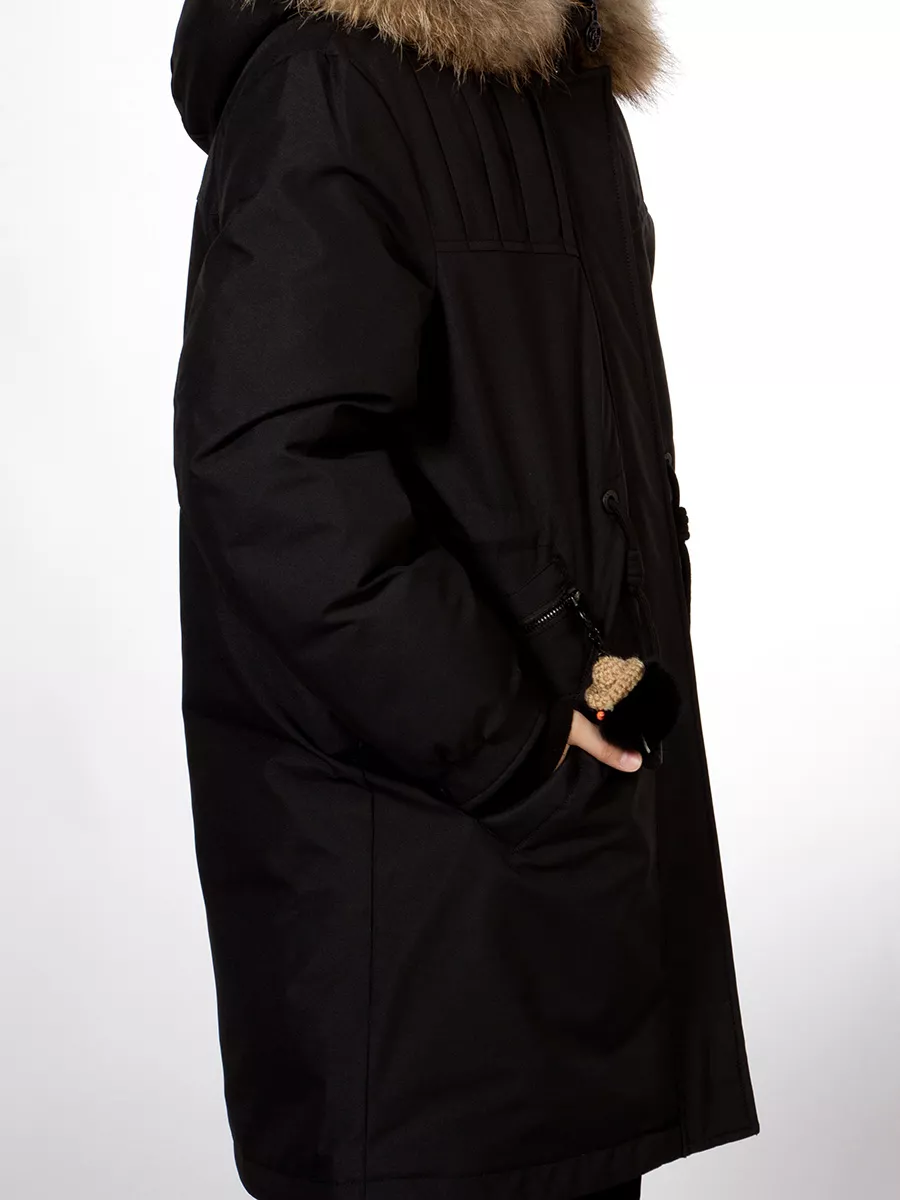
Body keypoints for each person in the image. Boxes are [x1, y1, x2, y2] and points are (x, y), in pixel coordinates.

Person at [169, 3, 759, 1199]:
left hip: (575, 860)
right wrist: (521, 746)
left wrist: (597, 724)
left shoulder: (565, 89)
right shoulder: (329, 82)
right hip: (415, 884)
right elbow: (277, 478)